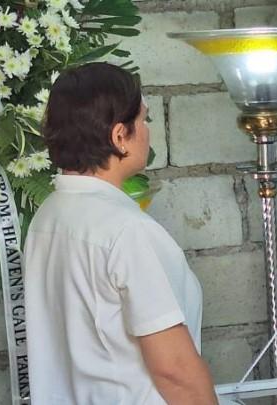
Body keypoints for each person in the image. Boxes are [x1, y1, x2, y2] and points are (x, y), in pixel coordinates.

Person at [24, 62, 218, 405]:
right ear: (119, 136)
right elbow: (174, 370)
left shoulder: (47, 216)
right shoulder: (127, 230)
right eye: (143, 119)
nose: (147, 130)